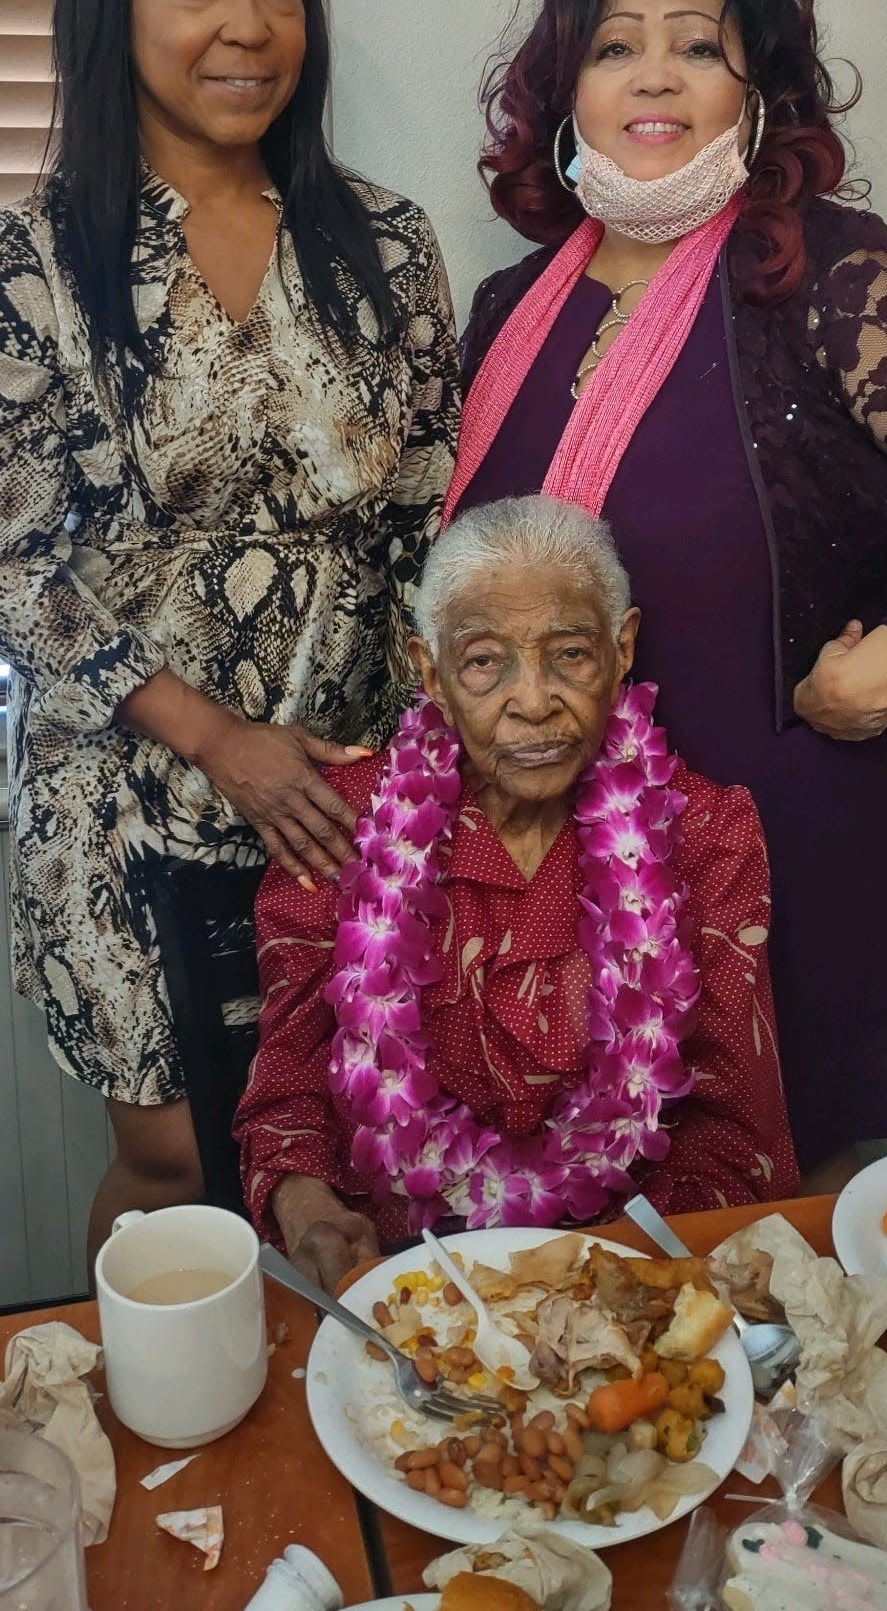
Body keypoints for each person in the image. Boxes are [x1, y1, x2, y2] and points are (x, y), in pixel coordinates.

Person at [0, 0, 459, 1261]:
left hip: (331, 786)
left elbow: (424, 518)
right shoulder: (36, 260)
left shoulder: (382, 242)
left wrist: (431, 754)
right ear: (112, 6)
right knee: (180, 1152)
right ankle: (143, 1445)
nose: (248, 28)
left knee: (331, 1138)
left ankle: (309, 1447)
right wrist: (216, 738)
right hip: (127, 780)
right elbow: (16, 561)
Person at [447, 0, 887, 1187]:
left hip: (803, 880)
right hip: (576, 890)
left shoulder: (824, 272)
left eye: (696, 46)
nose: (653, 73)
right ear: (566, 95)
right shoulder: (508, 312)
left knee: (796, 1301)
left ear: (754, 95)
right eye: (613, 48)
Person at [234, 497, 798, 1289]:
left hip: (625, 1272)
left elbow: (735, 1131)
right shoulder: (341, 826)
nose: (532, 702)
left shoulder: (704, 830)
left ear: (621, 646)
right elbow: (286, 1088)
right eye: (482, 662)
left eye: (569, 654)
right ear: (429, 671)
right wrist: (307, 1210)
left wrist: (586, 1293)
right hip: (395, 1277)